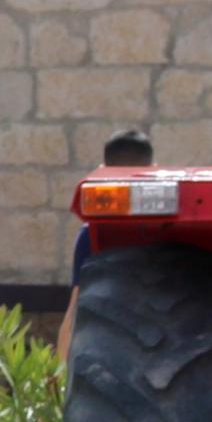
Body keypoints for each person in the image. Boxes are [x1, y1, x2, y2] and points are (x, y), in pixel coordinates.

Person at [62, 129, 156, 355]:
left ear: (104, 169)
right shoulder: (172, 229)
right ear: (152, 169)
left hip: (107, 350)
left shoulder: (92, 233)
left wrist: (59, 377)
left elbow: (76, 311)